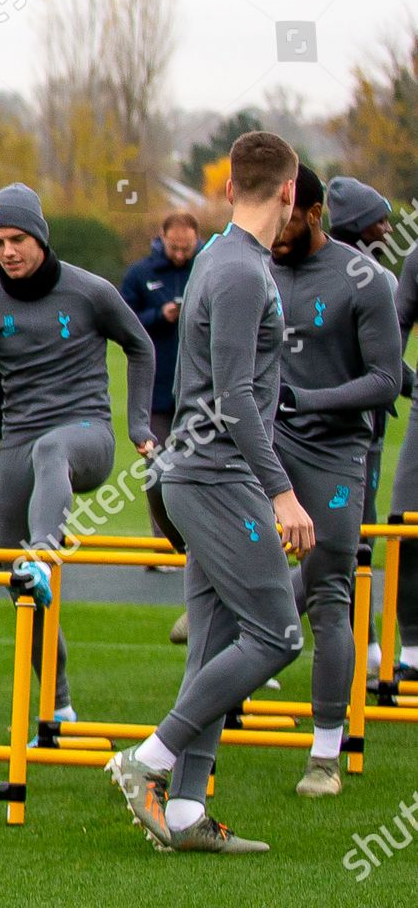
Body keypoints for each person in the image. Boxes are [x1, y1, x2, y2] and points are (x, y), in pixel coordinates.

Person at [108, 131, 314, 854]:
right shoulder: (237, 273)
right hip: (214, 478)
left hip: (205, 476)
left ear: (229, 188)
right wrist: (283, 493)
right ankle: (149, 762)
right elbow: (234, 398)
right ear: (290, 193)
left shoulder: (226, 262)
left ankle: (189, 813)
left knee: (217, 645)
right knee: (279, 634)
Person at [0, 183, 156, 737]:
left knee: (52, 453)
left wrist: (137, 423)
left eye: (18, 238)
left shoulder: (90, 291)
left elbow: (141, 345)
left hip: (86, 437)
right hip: (18, 444)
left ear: (40, 235)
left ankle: (44, 552)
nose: (8, 251)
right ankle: (58, 706)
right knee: (19, 585)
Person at [269, 165, 402, 797]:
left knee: (329, 597)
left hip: (335, 454)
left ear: (315, 213)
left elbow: (386, 380)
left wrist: (309, 399)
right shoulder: (248, 265)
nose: (276, 226)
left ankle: (325, 754)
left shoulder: (366, 280)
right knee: (214, 583)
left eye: (288, 214)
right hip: (263, 443)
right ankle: (190, 747)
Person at [329, 175, 418, 679]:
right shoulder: (375, 281)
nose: (389, 228)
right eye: (380, 221)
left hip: (326, 432)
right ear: (360, 230)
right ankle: (359, 652)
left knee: (340, 543)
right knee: (349, 544)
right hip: (354, 439)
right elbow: (384, 367)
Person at [120, 211, 199, 552]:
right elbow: (121, 321)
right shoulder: (140, 274)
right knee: (158, 470)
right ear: (161, 239)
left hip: (198, 391)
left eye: (187, 247)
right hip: (154, 389)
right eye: (174, 247)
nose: (180, 254)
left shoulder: (207, 268)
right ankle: (164, 544)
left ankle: (199, 544)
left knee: (198, 469)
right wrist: (158, 315)